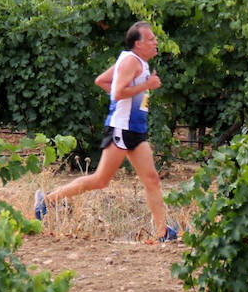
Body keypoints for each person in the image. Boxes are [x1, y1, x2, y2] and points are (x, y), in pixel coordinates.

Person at [34, 21, 178, 242]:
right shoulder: (131, 61)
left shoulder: (137, 61)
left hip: (136, 129)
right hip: (122, 128)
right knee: (101, 180)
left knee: (152, 180)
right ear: (138, 44)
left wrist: (140, 89)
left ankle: (161, 233)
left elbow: (102, 81)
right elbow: (118, 92)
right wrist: (146, 86)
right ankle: (48, 201)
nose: (156, 42)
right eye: (151, 39)